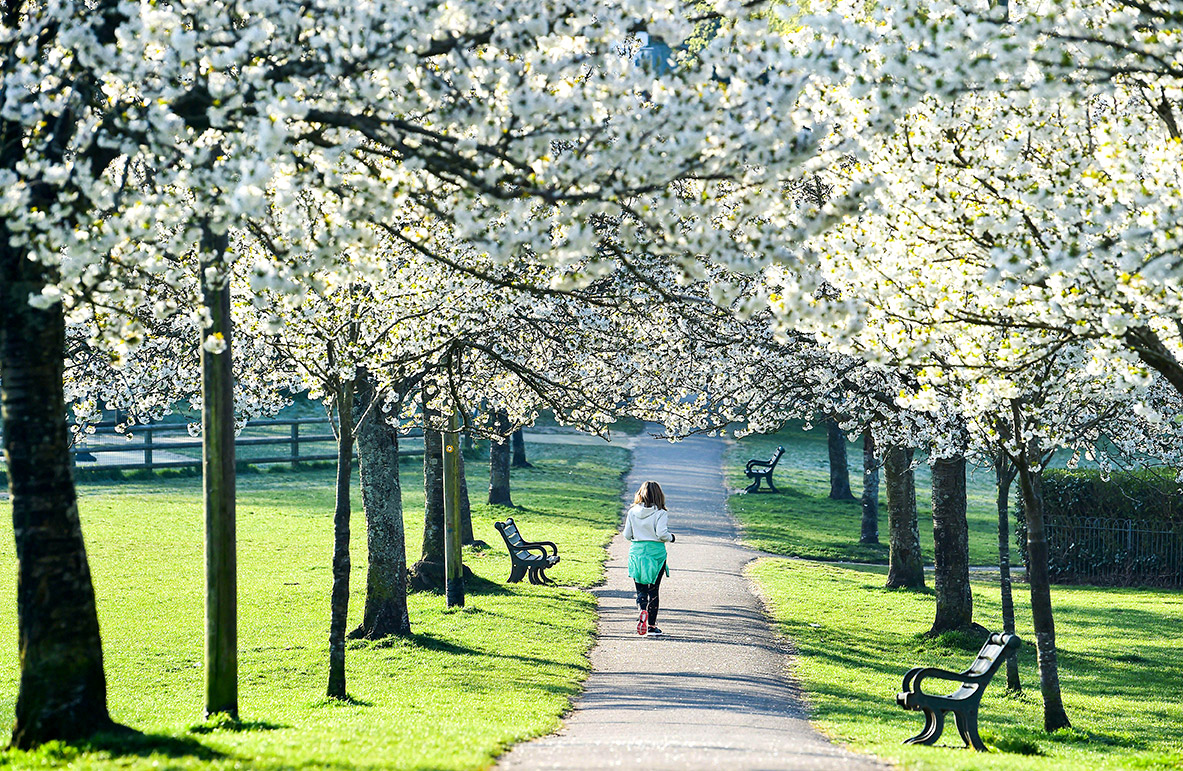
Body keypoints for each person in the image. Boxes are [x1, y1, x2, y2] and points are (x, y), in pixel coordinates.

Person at [623, 480, 675, 636]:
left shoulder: (632, 512)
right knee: (654, 590)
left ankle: (642, 610)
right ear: (659, 496)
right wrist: (671, 538)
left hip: (637, 553)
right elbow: (661, 534)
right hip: (655, 554)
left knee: (640, 590)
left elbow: (627, 535)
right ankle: (651, 626)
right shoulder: (660, 513)